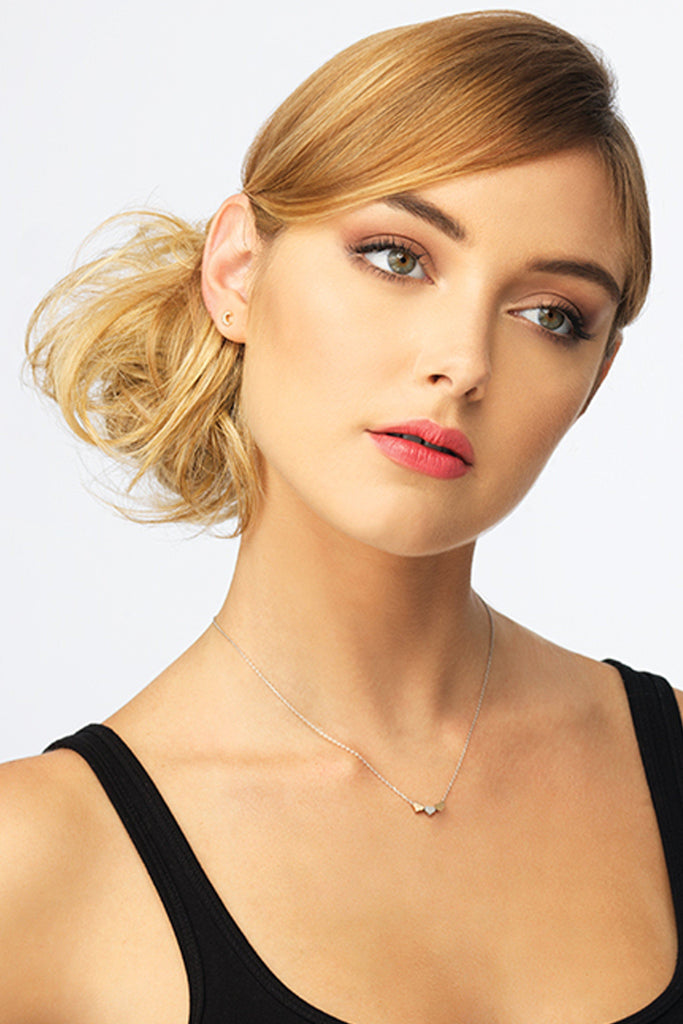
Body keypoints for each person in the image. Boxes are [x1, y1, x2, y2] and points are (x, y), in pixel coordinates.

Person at [2, 9, 679, 1023]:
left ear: (594, 379)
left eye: (551, 315)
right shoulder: (33, 869)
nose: (462, 362)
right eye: (397, 257)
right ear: (236, 270)